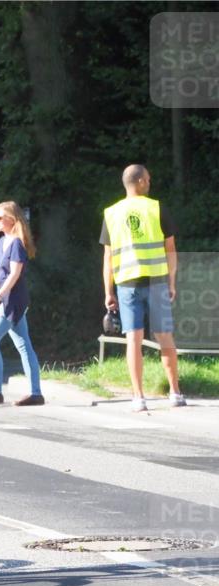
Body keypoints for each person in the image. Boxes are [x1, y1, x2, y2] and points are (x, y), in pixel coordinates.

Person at [101, 164, 184, 412]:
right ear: (139, 182)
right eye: (147, 179)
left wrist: (108, 290)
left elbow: (108, 258)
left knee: (133, 339)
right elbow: (171, 250)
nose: (150, 182)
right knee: (165, 337)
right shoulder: (156, 208)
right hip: (157, 280)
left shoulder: (112, 213)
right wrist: (171, 282)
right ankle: (175, 392)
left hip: (127, 284)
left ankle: (138, 397)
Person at [0, 201, 44, 406]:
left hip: (12, 300)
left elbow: (13, 275)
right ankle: (36, 393)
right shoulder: (3, 242)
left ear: (12, 220)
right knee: (23, 345)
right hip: (6, 299)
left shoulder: (17, 244)